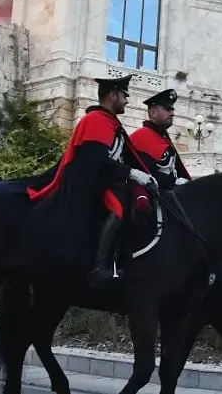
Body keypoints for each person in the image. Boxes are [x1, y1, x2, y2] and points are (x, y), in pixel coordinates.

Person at [25, 75, 155, 287]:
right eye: (124, 95)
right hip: (93, 181)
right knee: (118, 210)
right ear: (113, 95)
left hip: (108, 179)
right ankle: (99, 266)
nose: (127, 101)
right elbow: (95, 159)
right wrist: (130, 173)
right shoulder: (96, 121)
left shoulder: (110, 122)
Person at [129, 89, 193, 191]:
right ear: (153, 112)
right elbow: (144, 171)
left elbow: (179, 169)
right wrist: (173, 181)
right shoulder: (140, 137)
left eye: (172, 110)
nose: (172, 113)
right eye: (167, 109)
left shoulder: (163, 137)